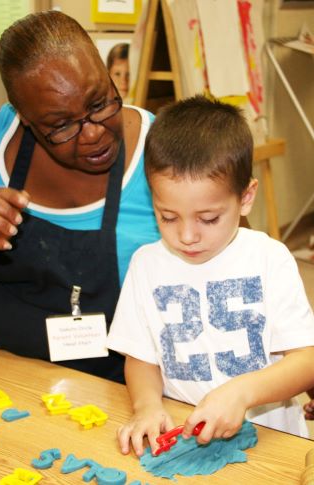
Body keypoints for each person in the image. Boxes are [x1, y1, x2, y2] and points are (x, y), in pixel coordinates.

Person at [0, 11, 160, 383]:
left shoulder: (163, 151)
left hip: (109, 391)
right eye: (60, 125)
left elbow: (238, 261)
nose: (91, 134)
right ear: (24, 116)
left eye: (100, 102)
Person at [106, 96, 314, 457]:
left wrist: (242, 391)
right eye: (168, 217)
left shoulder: (268, 258)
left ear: (246, 197)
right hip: (185, 438)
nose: (187, 236)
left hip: (272, 440)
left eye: (208, 218)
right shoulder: (146, 265)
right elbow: (140, 356)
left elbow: (307, 359)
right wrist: (146, 406)